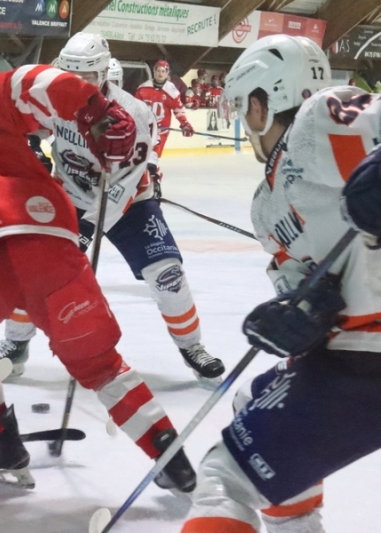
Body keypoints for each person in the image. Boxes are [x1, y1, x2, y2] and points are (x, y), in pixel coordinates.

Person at [0, 73, 197, 493]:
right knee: (102, 364)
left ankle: (0, 440)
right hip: (47, 243)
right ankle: (170, 455)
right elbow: (26, 81)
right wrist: (96, 109)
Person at [180, 35, 381, 533]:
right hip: (354, 357)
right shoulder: (266, 206)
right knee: (253, 400)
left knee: (225, 477)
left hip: (367, 358)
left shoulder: (320, 116)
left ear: (260, 102)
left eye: (243, 108)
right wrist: (299, 317)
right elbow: (306, 292)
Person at [0, 34, 224, 385]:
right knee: (33, 269)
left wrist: (87, 230)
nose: (77, 84)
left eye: (88, 77)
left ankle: (192, 347)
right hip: (72, 199)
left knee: (167, 273)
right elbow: (25, 126)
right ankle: (15, 344)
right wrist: (27, 146)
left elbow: (122, 188)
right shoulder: (51, 98)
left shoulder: (134, 113)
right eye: (70, 74)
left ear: (103, 74)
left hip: (130, 203)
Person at [135, 60, 194, 157]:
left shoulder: (171, 91)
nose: (160, 74)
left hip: (161, 132)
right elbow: (136, 109)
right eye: (158, 71)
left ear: (167, 73)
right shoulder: (143, 89)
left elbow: (178, 109)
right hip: (144, 130)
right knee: (141, 158)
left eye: (163, 71)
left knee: (153, 158)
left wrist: (185, 124)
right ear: (154, 71)